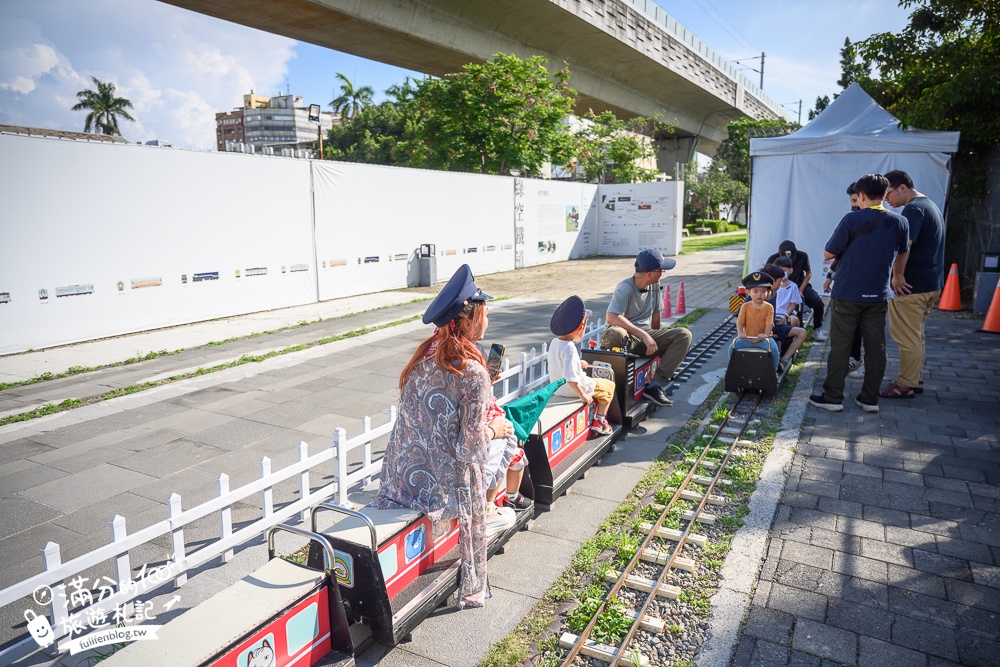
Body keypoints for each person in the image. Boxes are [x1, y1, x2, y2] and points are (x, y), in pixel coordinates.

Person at [371, 264, 515, 609]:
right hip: (441, 490)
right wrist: (495, 428)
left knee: (499, 438)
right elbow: (470, 448)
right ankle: (491, 516)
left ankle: (493, 508)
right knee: (508, 438)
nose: (488, 320)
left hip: (401, 478)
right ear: (469, 320)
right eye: (485, 313)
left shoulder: (423, 356)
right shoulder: (473, 371)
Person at [809, 174, 909, 414]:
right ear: (885, 194)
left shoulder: (851, 219)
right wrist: (898, 275)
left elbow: (828, 252)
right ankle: (869, 399)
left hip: (847, 294)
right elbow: (904, 251)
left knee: (841, 347)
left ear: (861, 195)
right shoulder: (900, 222)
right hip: (878, 295)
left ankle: (833, 398)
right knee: (876, 348)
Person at [880, 169, 945, 399]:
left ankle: (905, 384)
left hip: (909, 287)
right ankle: (914, 379)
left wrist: (897, 276)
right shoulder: (930, 205)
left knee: (906, 338)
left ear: (902, 188)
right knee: (916, 335)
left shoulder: (913, 210)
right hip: (931, 284)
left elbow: (903, 246)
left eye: (888, 193)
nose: (886, 199)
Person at [601, 249, 693, 406]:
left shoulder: (655, 286)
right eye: (661, 270)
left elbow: (656, 315)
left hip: (644, 336)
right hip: (626, 337)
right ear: (650, 273)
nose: (663, 272)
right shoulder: (625, 288)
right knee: (615, 333)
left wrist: (656, 345)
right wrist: (644, 335)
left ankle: (656, 385)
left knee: (684, 334)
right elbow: (612, 317)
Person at [548, 295, 616, 436]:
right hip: (573, 389)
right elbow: (571, 378)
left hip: (558, 389)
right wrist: (582, 394)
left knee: (600, 386)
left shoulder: (555, 342)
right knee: (609, 386)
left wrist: (577, 363)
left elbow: (559, 361)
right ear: (581, 327)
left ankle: (598, 417)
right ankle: (600, 421)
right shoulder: (570, 347)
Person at [823, 182, 866, 380]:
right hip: (853, 283)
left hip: (857, 287)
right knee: (855, 328)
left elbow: (831, 250)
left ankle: (854, 364)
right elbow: (841, 252)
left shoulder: (856, 219)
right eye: (852, 201)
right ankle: (855, 358)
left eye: (856, 200)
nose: (854, 205)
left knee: (861, 330)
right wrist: (831, 274)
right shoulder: (854, 219)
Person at [767, 240, 826, 340]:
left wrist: (801, 290)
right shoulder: (773, 259)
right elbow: (767, 275)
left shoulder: (802, 256)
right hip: (779, 285)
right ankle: (794, 328)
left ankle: (817, 328)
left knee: (817, 302)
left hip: (799, 284)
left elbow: (808, 273)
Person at [731, 272, 780, 372]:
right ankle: (734, 370)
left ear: (767, 293)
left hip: (763, 339)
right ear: (748, 292)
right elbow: (740, 322)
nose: (759, 294)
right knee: (732, 349)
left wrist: (765, 335)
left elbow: (769, 323)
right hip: (747, 338)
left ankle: (774, 371)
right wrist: (740, 333)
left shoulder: (769, 307)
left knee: (774, 351)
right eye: (756, 291)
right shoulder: (745, 306)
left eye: (763, 291)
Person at [773, 256, 802, 326]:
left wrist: (785, 316)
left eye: (784, 270)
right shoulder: (772, 285)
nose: (781, 273)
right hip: (772, 312)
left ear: (790, 271)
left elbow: (793, 305)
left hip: (786, 313)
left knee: (794, 320)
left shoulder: (793, 286)